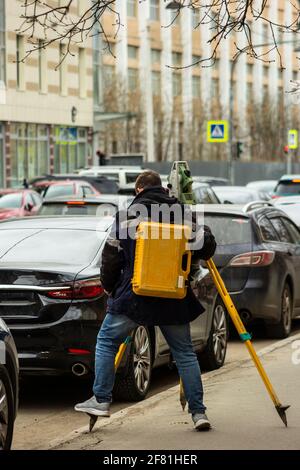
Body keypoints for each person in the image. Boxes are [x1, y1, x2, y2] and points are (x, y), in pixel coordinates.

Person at [75, 170, 216, 431]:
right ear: (162, 189)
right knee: (185, 354)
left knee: (107, 342)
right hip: (173, 296)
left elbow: (111, 260)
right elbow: (207, 248)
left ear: (138, 190)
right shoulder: (183, 213)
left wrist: (110, 290)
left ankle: (101, 400)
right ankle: (199, 413)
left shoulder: (127, 215)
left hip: (134, 296)